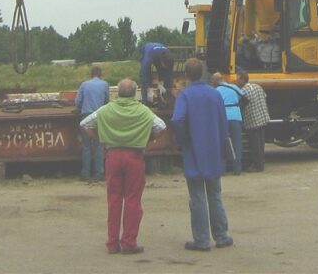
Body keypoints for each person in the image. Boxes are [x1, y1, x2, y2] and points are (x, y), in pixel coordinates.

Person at [80, 78, 166, 255]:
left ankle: (112, 243)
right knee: (133, 200)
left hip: (113, 155)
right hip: (134, 156)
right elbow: (161, 127)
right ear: (134, 93)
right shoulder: (143, 111)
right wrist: (147, 139)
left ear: (117, 93)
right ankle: (129, 242)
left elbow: (85, 124)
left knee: (114, 199)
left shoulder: (106, 109)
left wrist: (101, 139)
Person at [171, 57, 233, 252]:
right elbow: (223, 122)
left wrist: (183, 140)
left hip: (194, 150)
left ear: (186, 75)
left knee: (197, 196)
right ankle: (221, 236)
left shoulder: (185, 95)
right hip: (214, 149)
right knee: (215, 194)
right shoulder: (215, 94)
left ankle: (202, 240)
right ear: (203, 73)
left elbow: (177, 119)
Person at [75, 65, 109, 181]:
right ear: (100, 74)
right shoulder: (104, 84)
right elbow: (107, 101)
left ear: (91, 74)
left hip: (86, 116)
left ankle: (85, 174)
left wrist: (80, 107)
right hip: (99, 115)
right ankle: (99, 174)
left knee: (86, 146)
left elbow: (78, 101)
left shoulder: (84, 84)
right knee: (98, 145)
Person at [235, 68, 270, 172]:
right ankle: (261, 163)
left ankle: (257, 165)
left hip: (253, 120)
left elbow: (240, 104)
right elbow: (265, 96)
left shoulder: (243, 91)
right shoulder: (257, 86)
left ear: (242, 80)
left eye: (237, 79)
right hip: (263, 118)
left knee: (255, 144)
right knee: (261, 143)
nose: (236, 81)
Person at [210, 72, 245, 174]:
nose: (211, 83)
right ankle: (237, 169)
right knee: (237, 143)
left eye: (212, 81)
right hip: (236, 117)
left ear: (216, 80)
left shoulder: (216, 91)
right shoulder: (234, 87)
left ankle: (222, 169)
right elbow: (244, 97)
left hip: (223, 118)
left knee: (223, 143)